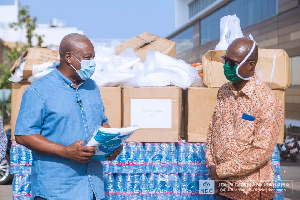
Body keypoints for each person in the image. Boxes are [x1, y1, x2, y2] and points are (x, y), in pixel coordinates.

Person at [14, 33, 122, 200]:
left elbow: (101, 122)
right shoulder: (39, 90)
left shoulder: (91, 87)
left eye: (93, 57)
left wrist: (111, 145)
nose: (92, 63)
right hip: (56, 191)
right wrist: (66, 151)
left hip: (93, 187)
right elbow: (23, 135)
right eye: (88, 58)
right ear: (68, 58)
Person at [205, 37, 283, 200]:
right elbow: (213, 130)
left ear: (251, 65)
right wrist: (211, 162)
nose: (227, 66)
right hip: (222, 186)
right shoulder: (224, 91)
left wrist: (221, 170)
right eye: (225, 60)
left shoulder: (266, 99)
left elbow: (261, 152)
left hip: (249, 190)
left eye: (233, 63)